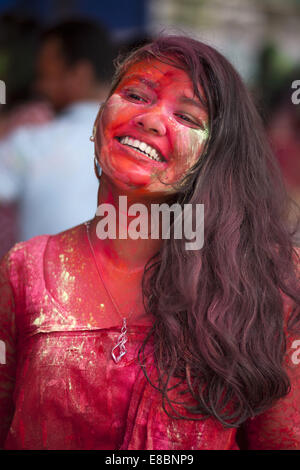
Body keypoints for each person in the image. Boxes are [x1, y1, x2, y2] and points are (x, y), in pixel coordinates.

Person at [0, 35, 300, 450]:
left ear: (214, 156)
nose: (151, 119)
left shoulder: (265, 283)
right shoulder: (25, 270)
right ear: (98, 118)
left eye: (189, 118)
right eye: (136, 95)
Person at [0, 19, 114, 242]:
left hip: (44, 275)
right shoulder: (144, 142)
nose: (38, 87)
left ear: (79, 74)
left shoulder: (34, 142)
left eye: (45, 76)